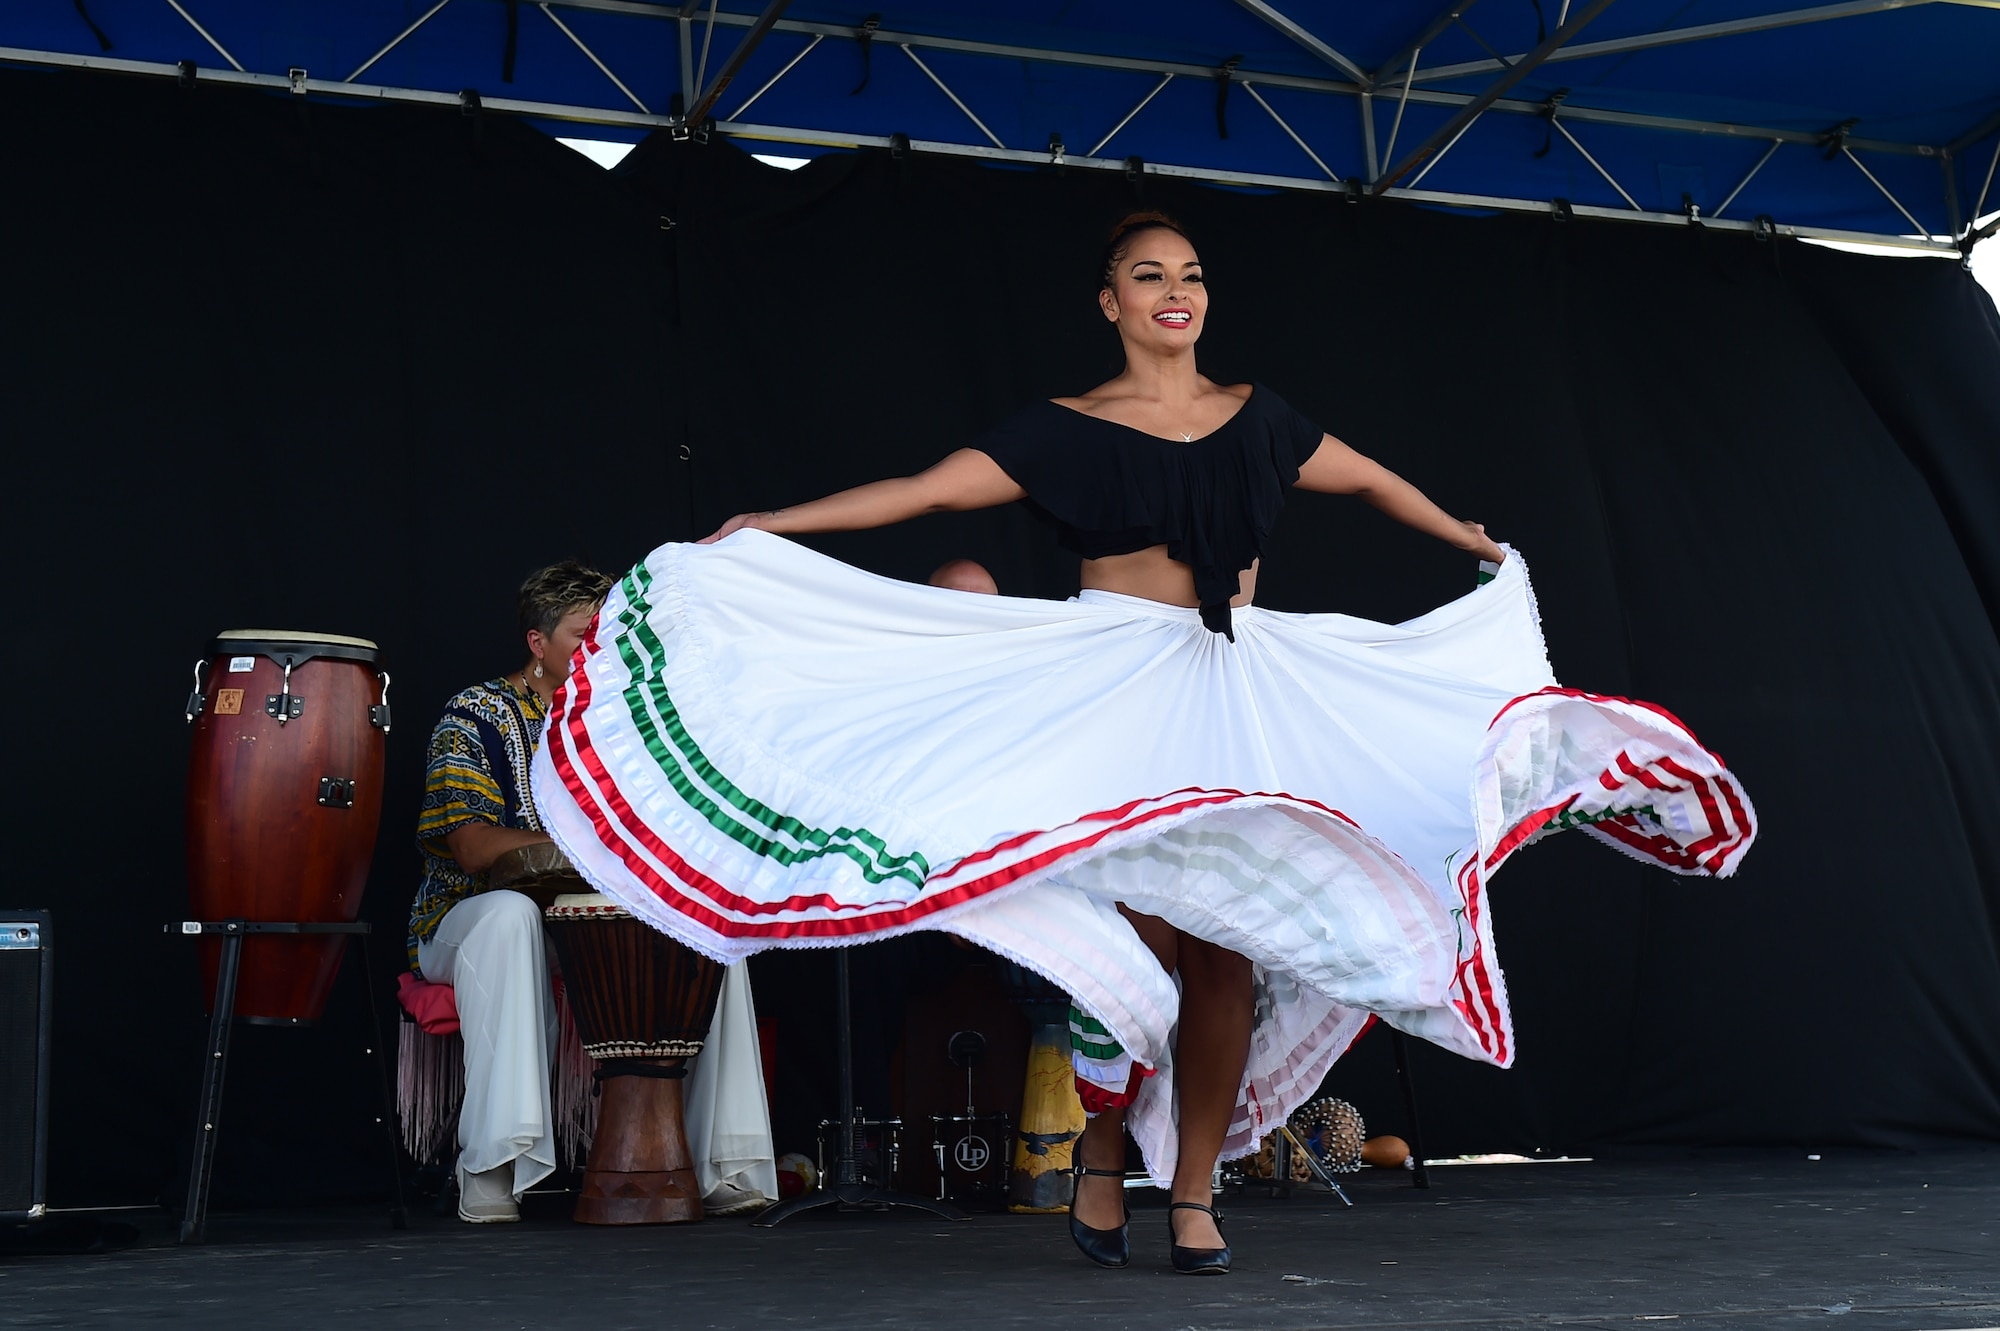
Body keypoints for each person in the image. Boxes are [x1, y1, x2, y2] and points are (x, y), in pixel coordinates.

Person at [528, 213, 1756, 1272]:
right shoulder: (1066, 425)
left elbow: (1375, 478)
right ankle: (1105, 1146)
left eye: (1192, 276)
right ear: (1111, 301)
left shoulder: (1257, 416)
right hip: (1115, 677)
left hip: (1240, 680)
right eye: (1153, 276)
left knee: (1228, 954)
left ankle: (1193, 1190)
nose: (1178, 293)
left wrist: (1469, 540)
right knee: (1145, 956)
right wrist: (772, 525)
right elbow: (929, 490)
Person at [408, 561, 611, 1221]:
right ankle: (493, 1164)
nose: (600, 649)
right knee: (509, 913)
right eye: (585, 634)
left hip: (577, 931)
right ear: (537, 642)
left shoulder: (621, 725)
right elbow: (470, 846)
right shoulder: (475, 714)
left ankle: (723, 1158)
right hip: (460, 928)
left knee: (702, 921)